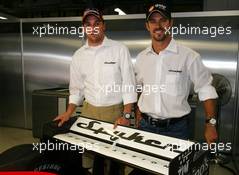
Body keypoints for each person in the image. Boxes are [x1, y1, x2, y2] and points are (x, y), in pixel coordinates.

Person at [54, 7, 137, 175]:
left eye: (96, 23)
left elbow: (129, 85)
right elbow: (76, 89)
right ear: (84, 28)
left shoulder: (119, 49)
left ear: (103, 26)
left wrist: (127, 116)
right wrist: (68, 112)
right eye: (88, 24)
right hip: (88, 112)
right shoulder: (78, 55)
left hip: (114, 113)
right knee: (91, 162)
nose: (92, 27)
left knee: (114, 163)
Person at [134, 2, 218, 145]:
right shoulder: (142, 58)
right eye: (153, 21)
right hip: (145, 127)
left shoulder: (189, 56)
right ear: (147, 26)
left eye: (163, 20)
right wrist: (137, 110)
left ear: (171, 23)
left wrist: (211, 124)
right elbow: (139, 87)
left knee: (172, 168)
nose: (158, 25)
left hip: (176, 130)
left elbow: (206, 89)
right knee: (145, 167)